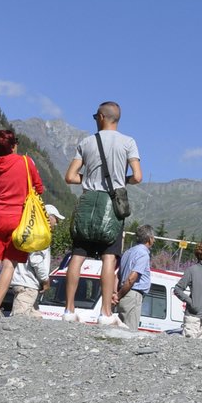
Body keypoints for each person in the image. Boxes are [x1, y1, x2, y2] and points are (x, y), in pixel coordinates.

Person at [63, 101, 142, 325]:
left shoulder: (86, 142)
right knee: (109, 258)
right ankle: (105, 313)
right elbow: (137, 176)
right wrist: (119, 181)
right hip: (112, 205)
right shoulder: (129, 142)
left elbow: (70, 177)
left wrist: (88, 180)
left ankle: (69, 311)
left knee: (77, 256)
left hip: (88, 202)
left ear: (100, 116)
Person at [0, 129, 46, 317]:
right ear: (13, 145)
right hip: (20, 219)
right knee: (9, 264)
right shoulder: (25, 161)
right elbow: (39, 188)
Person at [8, 204, 65, 318]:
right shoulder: (41, 235)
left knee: (36, 317)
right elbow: (36, 260)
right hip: (27, 283)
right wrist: (45, 280)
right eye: (56, 220)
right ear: (48, 218)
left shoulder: (30, 231)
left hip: (24, 282)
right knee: (19, 318)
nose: (56, 224)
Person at [173, 242, 202, 339]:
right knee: (188, 347)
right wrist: (192, 303)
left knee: (201, 351)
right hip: (193, 318)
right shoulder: (192, 270)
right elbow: (177, 289)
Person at [113, 224, 155, 330]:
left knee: (120, 329)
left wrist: (115, 294)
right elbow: (132, 278)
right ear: (149, 239)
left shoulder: (127, 252)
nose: (154, 240)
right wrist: (118, 296)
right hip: (132, 294)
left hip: (123, 294)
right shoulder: (143, 254)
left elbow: (117, 275)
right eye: (153, 238)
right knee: (129, 331)